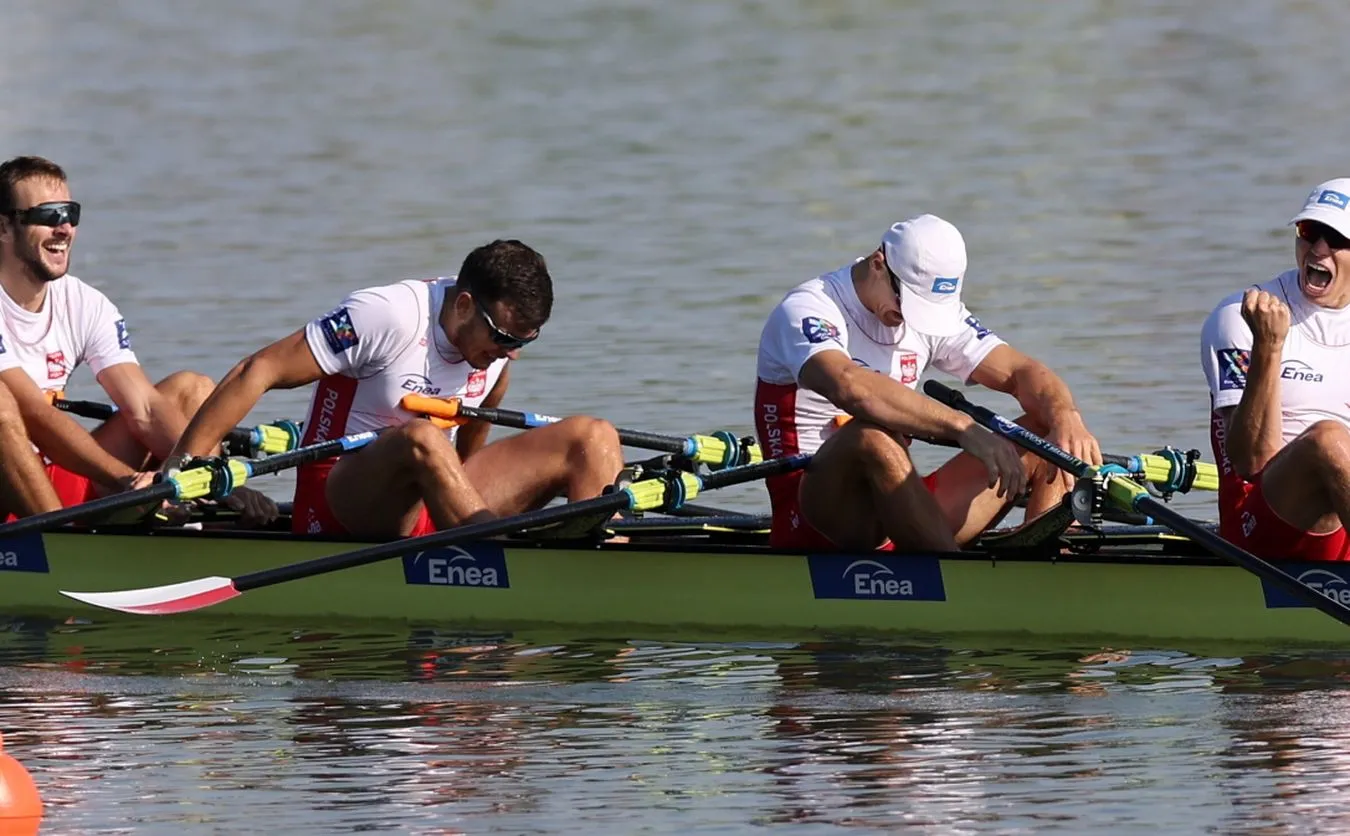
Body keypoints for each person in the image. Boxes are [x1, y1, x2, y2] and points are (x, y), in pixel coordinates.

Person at [164, 239, 625, 537]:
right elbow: (257, 370)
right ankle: (504, 560)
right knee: (421, 435)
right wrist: (180, 471)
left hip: (426, 495)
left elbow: (481, 414)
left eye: (526, 342)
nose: (511, 354)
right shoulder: (384, 315)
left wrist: (456, 481)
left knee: (594, 436)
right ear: (464, 305)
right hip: (339, 501)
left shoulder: (494, 351)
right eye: (504, 338)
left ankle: (603, 559)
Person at [753, 213, 1102, 551]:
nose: (909, 318)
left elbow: (1019, 371)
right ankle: (952, 583)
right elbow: (850, 387)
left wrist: (1065, 416)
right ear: (878, 263)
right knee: (871, 435)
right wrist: (963, 428)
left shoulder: (925, 309)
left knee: (1046, 431)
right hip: (818, 516)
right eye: (908, 303)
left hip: (897, 505)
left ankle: (1052, 564)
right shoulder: (808, 309)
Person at [0, 155, 275, 523]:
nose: (64, 228)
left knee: (190, 390)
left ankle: (192, 514)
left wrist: (212, 476)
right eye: (48, 216)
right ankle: (60, 545)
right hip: (10, 487)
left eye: (71, 214)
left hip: (56, 474)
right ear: (4, 227)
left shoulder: (85, 303)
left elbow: (143, 407)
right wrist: (126, 479)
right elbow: (34, 414)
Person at [1201, 178, 1350, 562]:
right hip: (1258, 526)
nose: (1317, 248)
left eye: (1335, 238)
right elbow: (1251, 462)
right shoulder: (1240, 316)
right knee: (1328, 440)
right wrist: (1269, 345)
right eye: (1309, 231)